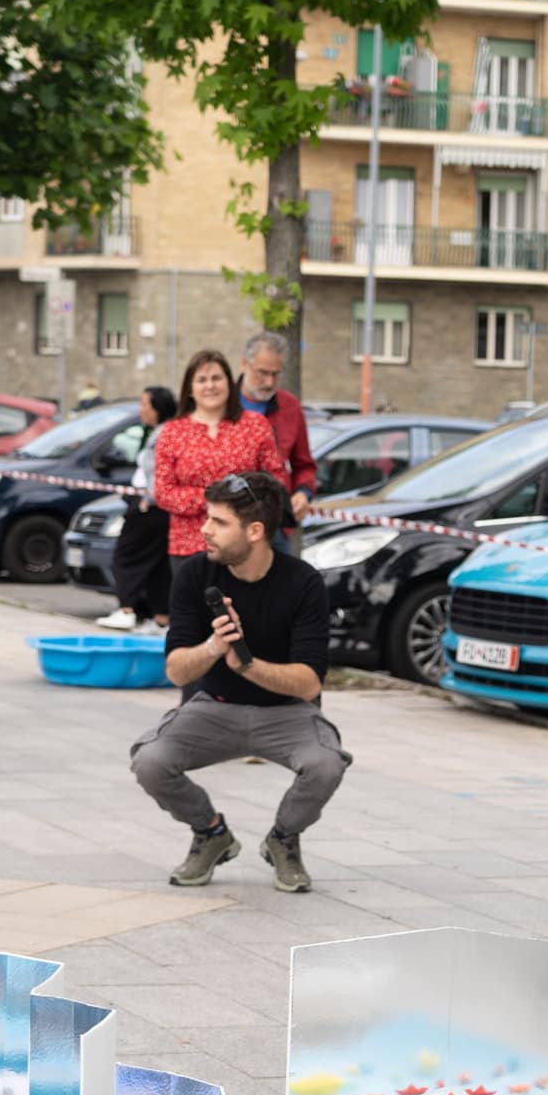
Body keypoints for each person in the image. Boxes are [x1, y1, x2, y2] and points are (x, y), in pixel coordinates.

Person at [130, 471, 349, 894]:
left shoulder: (303, 582)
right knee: (151, 761)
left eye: (218, 522)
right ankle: (211, 834)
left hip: (288, 712)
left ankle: (283, 839)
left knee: (325, 766)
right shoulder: (196, 574)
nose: (205, 530)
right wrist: (215, 646)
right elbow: (176, 670)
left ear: (254, 531)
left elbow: (308, 684)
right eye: (206, 518)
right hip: (214, 705)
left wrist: (247, 664)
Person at [153, 349, 286, 569]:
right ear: (190, 389)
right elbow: (163, 492)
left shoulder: (255, 425)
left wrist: (244, 504)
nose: (210, 386)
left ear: (229, 383)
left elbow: (275, 480)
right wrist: (217, 501)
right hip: (189, 547)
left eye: (217, 378)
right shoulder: (172, 432)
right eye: (202, 380)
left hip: (245, 548)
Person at [95, 385, 175, 633]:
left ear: (157, 409)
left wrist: (148, 500)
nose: (141, 410)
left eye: (145, 405)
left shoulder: (162, 435)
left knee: (126, 555)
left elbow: (159, 470)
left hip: (149, 506)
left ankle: (126, 610)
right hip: (157, 506)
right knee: (158, 563)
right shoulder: (162, 432)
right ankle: (162, 618)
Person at [237, 333, 317, 529]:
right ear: (244, 365)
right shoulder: (221, 404)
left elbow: (304, 464)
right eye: (262, 373)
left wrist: (303, 492)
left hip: (274, 521)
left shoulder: (290, 407)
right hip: (230, 518)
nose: (269, 382)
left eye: (276, 374)